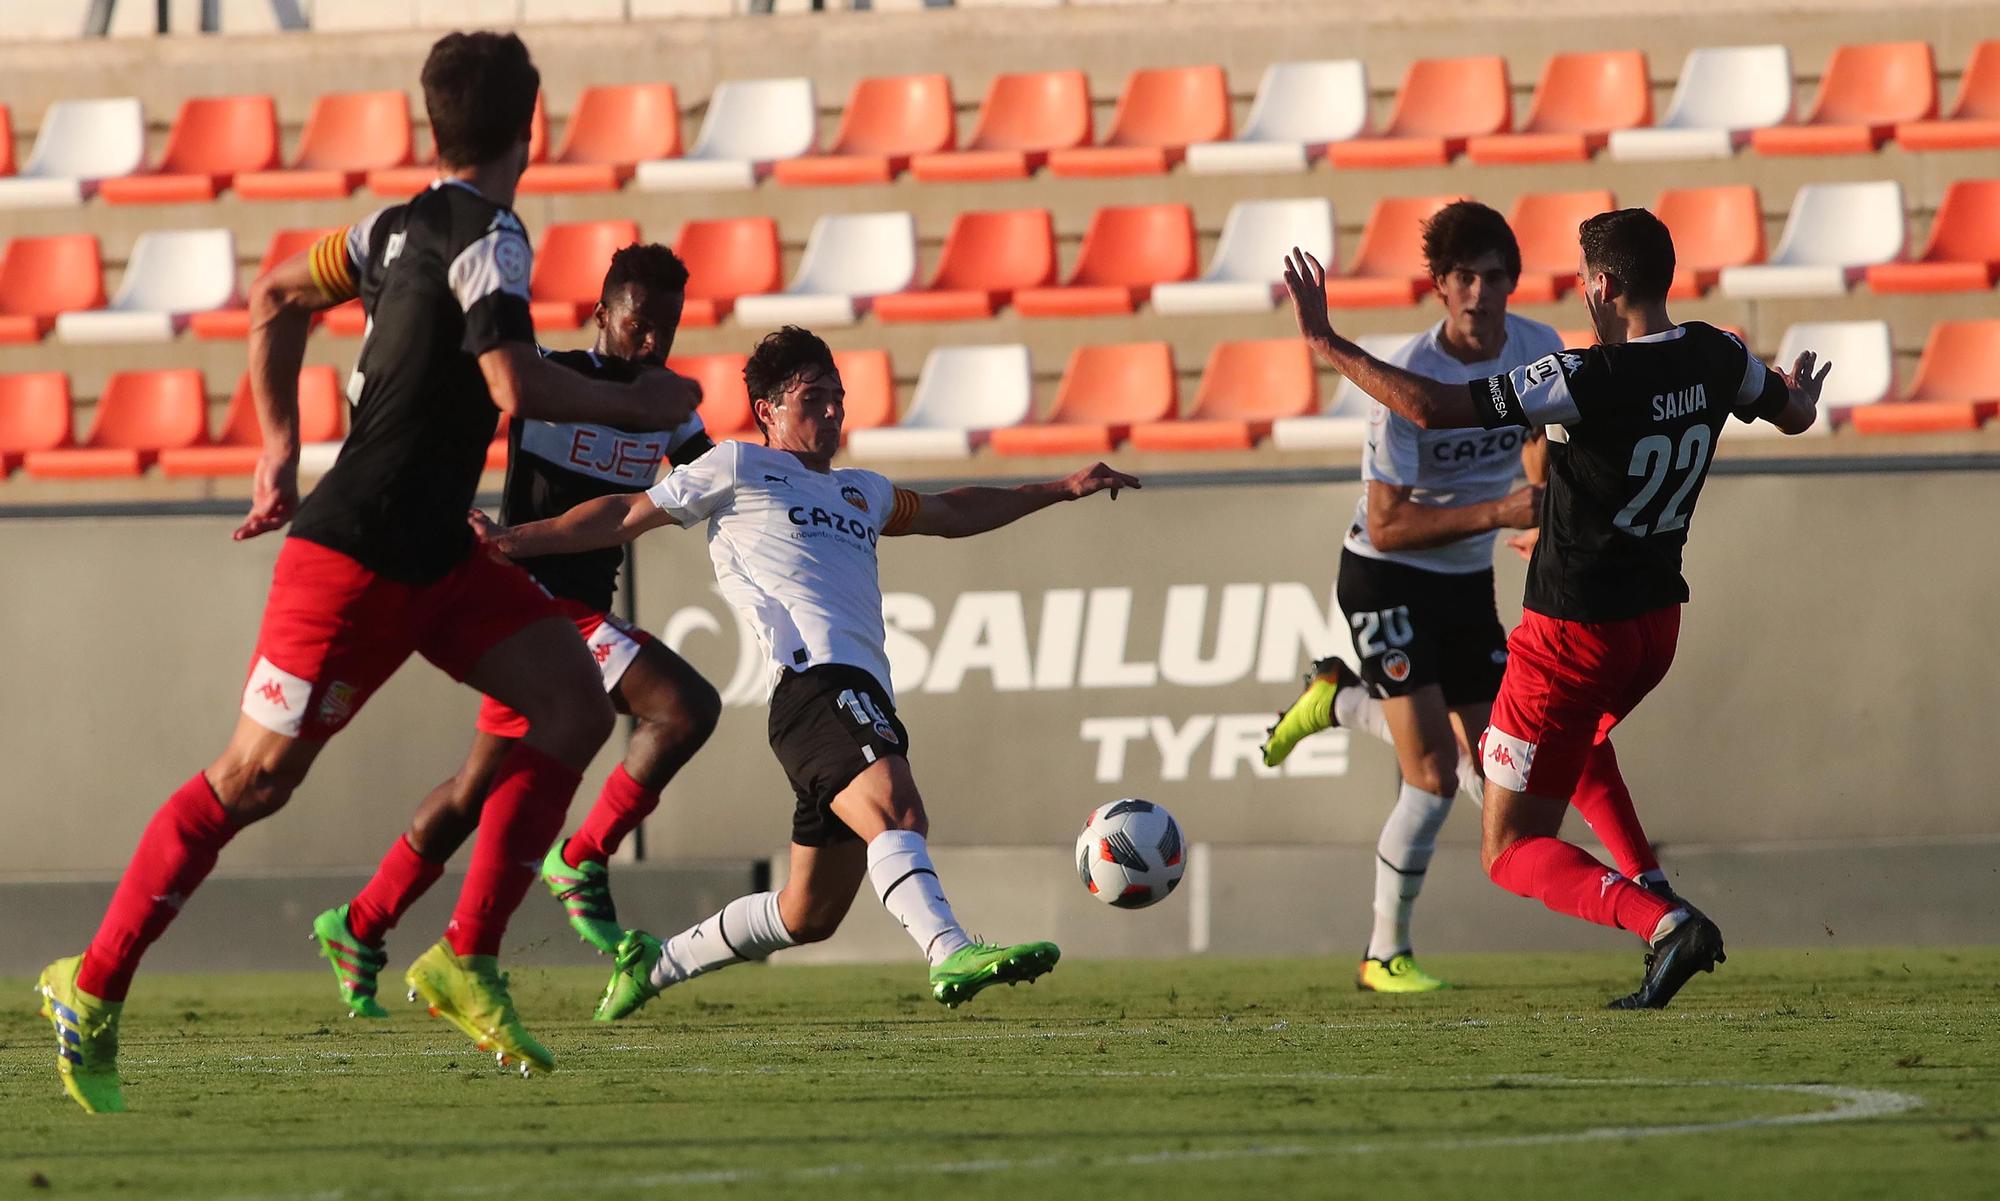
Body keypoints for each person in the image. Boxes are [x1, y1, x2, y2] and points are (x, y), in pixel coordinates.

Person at [36, 31, 700, 1112]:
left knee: (572, 705)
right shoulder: (488, 234)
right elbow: (515, 383)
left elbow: (274, 296)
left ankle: (464, 955)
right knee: (254, 779)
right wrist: (642, 403)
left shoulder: (390, 227)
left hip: (436, 546)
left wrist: (274, 444)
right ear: (528, 124)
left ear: (437, 120)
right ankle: (92, 983)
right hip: (354, 552)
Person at [468, 326, 1140, 1018]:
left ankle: (656, 962)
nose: (832, 410)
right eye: (812, 397)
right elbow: (625, 511)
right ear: (766, 409)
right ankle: (948, 950)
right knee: (898, 809)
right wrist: (513, 540)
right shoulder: (736, 467)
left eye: (838, 397)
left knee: (808, 911)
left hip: (855, 692)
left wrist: (1062, 486)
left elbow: (953, 510)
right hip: (814, 685)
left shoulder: (863, 493)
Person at [1277, 208, 1826, 1009]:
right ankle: (1649, 877)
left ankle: (1662, 920)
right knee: (1576, 753)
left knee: (1508, 846)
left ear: (1602, 286)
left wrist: (1328, 344)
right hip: (1654, 628)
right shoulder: (1718, 352)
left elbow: (1431, 408)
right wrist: (1801, 393)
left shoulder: (1583, 376)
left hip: (1571, 633)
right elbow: (1794, 412)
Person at [308, 244, 721, 1019]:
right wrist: (456, 511)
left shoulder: (671, 408)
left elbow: (714, 480)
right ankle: (583, 857)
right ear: (603, 313)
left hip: (564, 622)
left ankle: (359, 921)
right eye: (640, 324)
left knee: (473, 791)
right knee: (685, 706)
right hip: (533, 606)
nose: (654, 343)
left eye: (668, 327)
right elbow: (443, 420)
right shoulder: (543, 379)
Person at [1258, 201, 1551, 994]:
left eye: (1495, 277)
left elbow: (1536, 431)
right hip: (1385, 577)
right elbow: (1385, 527)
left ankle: (1338, 700)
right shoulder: (1409, 377)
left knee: (1494, 776)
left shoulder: (1539, 348)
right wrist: (1499, 513)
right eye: (1465, 277)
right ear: (1440, 288)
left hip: (1464, 580)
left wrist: (1537, 502)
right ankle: (1383, 952)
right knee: (1429, 777)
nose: (1481, 293)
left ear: (1511, 283)